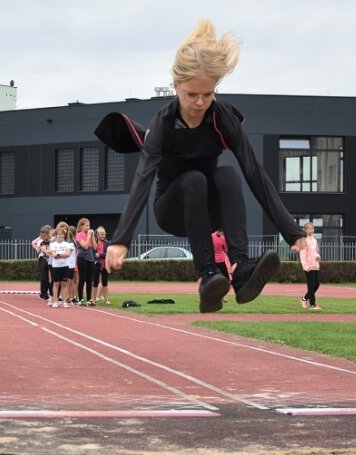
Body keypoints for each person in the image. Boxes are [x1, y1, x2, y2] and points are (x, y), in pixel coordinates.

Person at [100, 19, 305, 313]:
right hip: (172, 209)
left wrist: (292, 231)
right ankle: (207, 275)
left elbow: (254, 172)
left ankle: (242, 267)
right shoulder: (163, 124)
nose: (199, 102)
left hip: (208, 211)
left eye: (207, 94)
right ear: (176, 86)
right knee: (194, 178)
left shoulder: (221, 118)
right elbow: (142, 180)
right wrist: (120, 240)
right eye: (191, 94)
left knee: (228, 174)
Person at [49, 222, 73, 309]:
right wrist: (60, 254)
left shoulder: (67, 244)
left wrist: (58, 254)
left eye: (62, 236)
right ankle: (55, 301)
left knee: (64, 284)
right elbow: (53, 256)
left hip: (65, 266)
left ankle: (64, 302)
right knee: (55, 284)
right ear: (56, 236)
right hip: (56, 267)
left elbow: (68, 254)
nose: (60, 237)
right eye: (59, 236)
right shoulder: (52, 244)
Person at [298, 223, 321, 310]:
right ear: (305, 230)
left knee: (317, 285)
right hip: (308, 267)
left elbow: (316, 251)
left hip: (316, 265)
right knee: (311, 286)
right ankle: (312, 305)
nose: (312, 230)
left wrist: (318, 256)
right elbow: (302, 255)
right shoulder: (304, 240)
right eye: (310, 228)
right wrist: (305, 266)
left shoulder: (314, 240)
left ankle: (304, 299)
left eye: (313, 228)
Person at [75, 217, 96, 306]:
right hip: (82, 258)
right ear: (82, 226)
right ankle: (80, 299)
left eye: (89, 225)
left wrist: (92, 237)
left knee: (89, 280)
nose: (88, 227)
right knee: (82, 279)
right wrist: (89, 236)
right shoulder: (79, 235)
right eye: (87, 225)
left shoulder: (90, 235)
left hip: (90, 258)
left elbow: (95, 247)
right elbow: (85, 246)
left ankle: (89, 299)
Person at [92, 226, 111, 305]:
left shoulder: (107, 243)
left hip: (105, 265)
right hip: (96, 265)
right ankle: (93, 300)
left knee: (105, 282)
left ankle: (106, 299)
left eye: (104, 234)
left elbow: (108, 254)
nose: (103, 235)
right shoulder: (94, 243)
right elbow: (92, 253)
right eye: (101, 234)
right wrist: (95, 258)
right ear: (97, 235)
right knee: (95, 282)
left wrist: (99, 255)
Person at [32, 225, 52, 301]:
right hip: (42, 259)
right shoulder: (40, 241)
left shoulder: (52, 241)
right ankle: (43, 292)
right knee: (44, 277)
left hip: (50, 260)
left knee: (49, 277)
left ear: (48, 234)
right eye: (42, 236)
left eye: (45, 236)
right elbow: (39, 250)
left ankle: (49, 292)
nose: (43, 237)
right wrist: (40, 249)